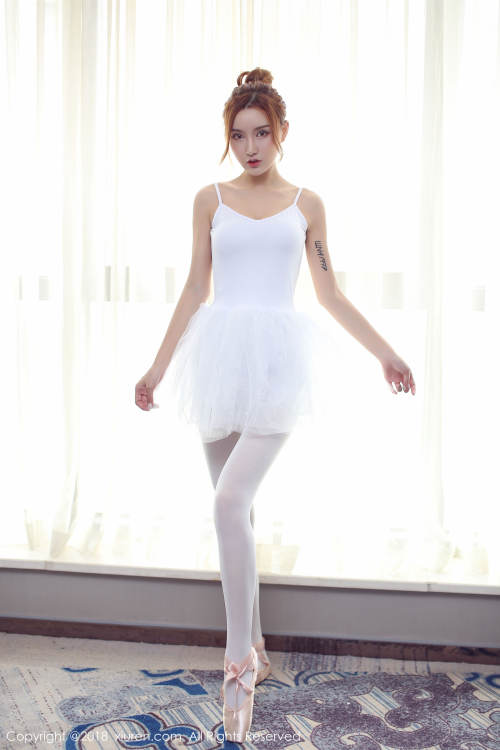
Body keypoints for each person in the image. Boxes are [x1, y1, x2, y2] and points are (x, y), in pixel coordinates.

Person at [135, 67, 416, 743]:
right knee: (240, 510)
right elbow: (195, 288)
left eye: (261, 133)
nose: (250, 147)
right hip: (217, 360)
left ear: (282, 132)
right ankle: (257, 648)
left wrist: (385, 353)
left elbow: (329, 292)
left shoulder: (306, 205)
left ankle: (236, 668)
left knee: (229, 503)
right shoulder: (209, 200)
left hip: (278, 366)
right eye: (238, 135)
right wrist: (157, 367)